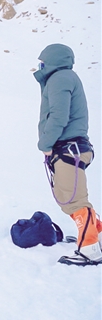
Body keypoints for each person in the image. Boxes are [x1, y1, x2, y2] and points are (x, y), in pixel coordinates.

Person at [34, 44, 100, 266]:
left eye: (42, 62)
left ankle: (90, 249)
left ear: (52, 61)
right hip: (73, 148)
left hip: (68, 149)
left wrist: (45, 143)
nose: (40, 66)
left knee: (75, 201)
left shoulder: (60, 79)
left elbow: (59, 116)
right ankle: (95, 238)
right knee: (73, 199)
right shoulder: (64, 78)